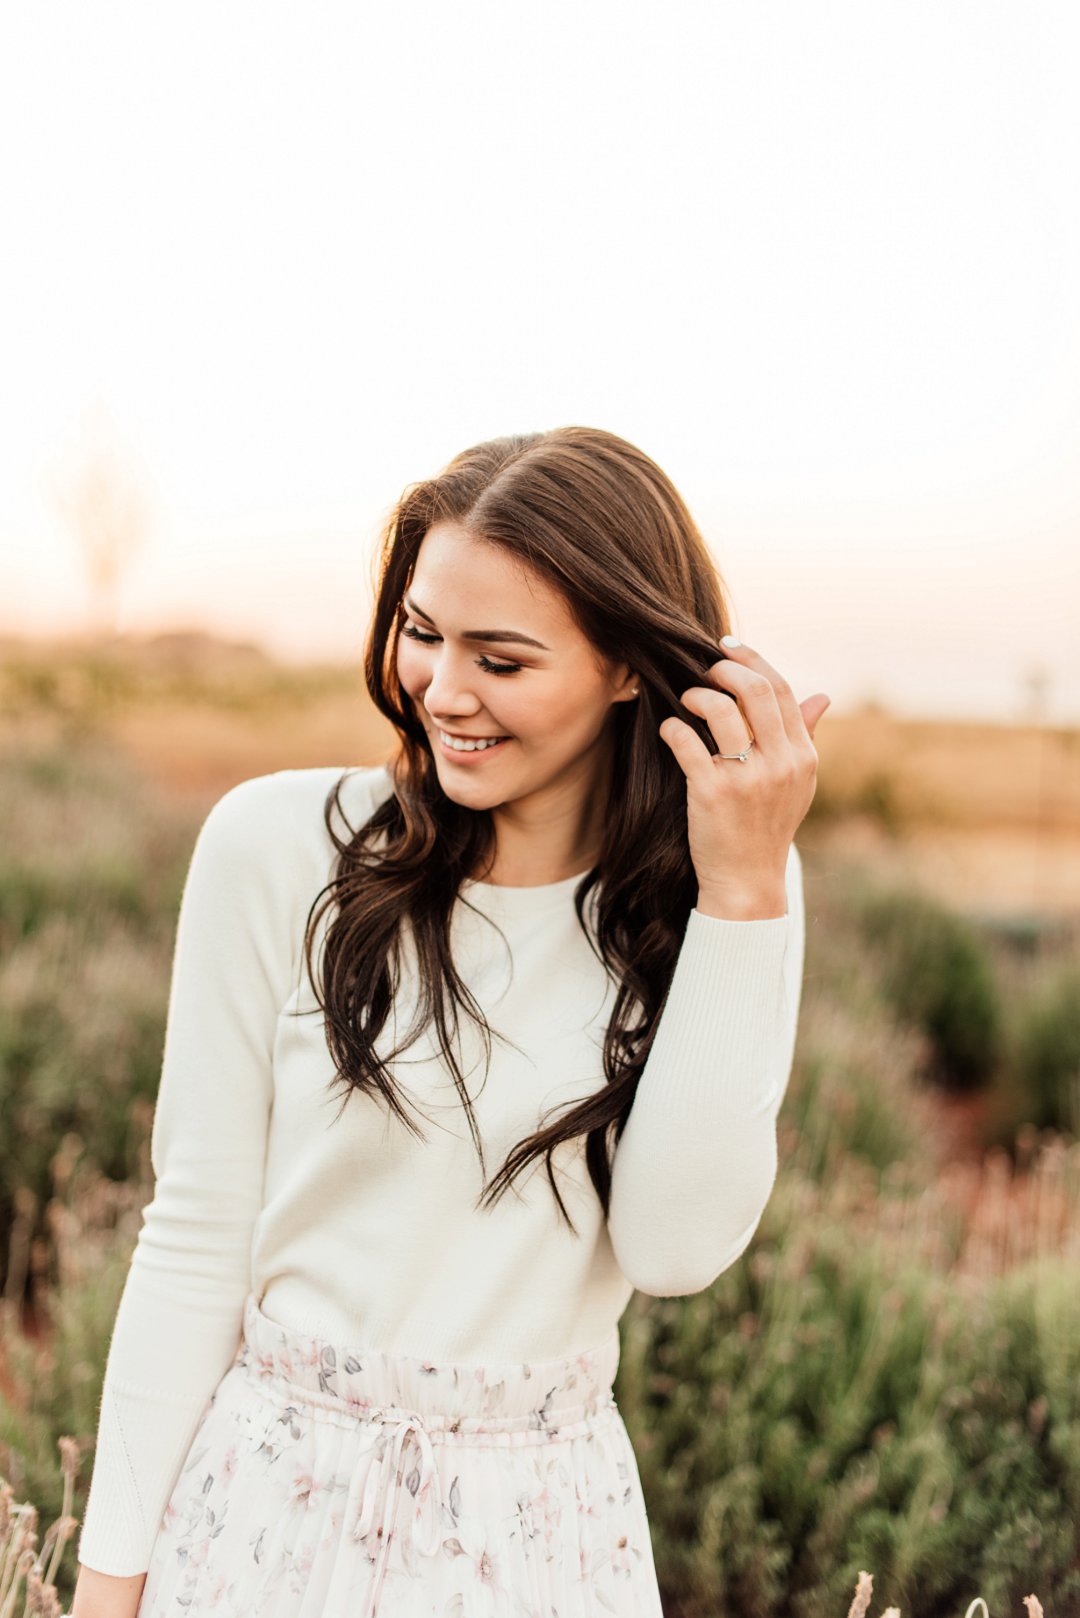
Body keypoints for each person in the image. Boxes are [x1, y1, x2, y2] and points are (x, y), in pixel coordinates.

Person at [71, 425, 827, 1617]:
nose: (443, 690)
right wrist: (107, 1581)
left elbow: (677, 1252)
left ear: (629, 667)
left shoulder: (719, 899)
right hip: (262, 1513)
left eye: (504, 659)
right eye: (423, 634)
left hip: (537, 1545)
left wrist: (743, 893)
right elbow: (195, 1230)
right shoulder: (276, 844)